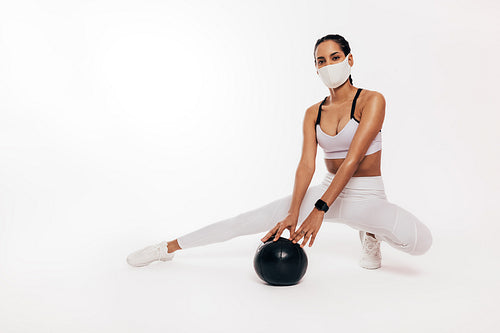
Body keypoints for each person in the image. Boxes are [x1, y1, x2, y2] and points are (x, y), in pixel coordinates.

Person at [126, 34, 433, 270]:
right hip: (327, 189)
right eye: (321, 61)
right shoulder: (313, 112)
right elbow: (305, 166)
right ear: (315, 68)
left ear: (350, 60)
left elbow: (353, 160)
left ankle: (370, 233)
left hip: (366, 195)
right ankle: (165, 249)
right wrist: (294, 211)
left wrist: (318, 211)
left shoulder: (372, 100)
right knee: (249, 219)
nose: (328, 65)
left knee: (420, 243)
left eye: (334, 57)